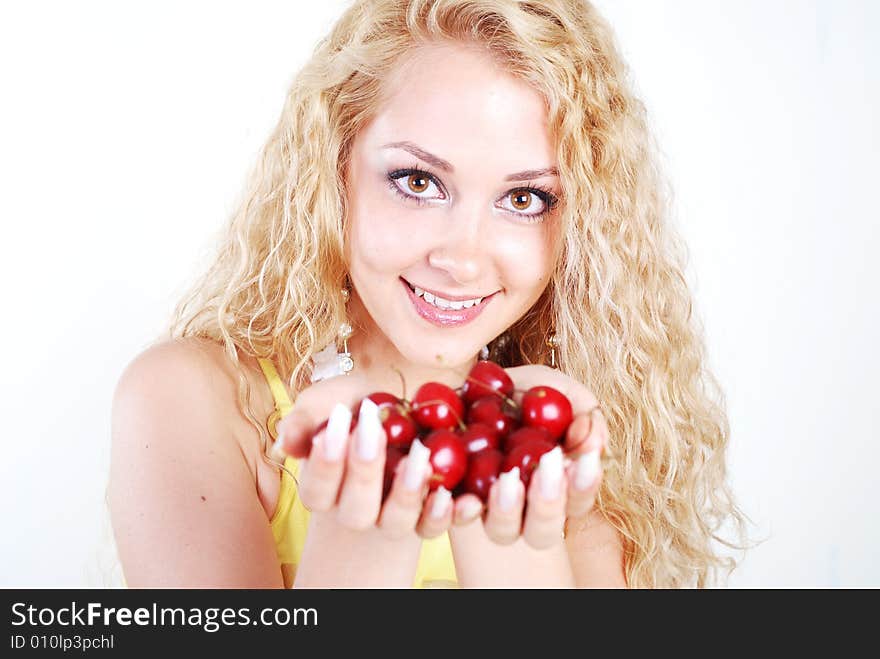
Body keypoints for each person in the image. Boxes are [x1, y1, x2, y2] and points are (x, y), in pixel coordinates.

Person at [109, 0, 746, 588]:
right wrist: (368, 530)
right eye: (417, 181)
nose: (463, 259)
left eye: (523, 199)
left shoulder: (573, 431)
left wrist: (506, 506)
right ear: (335, 167)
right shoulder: (197, 399)